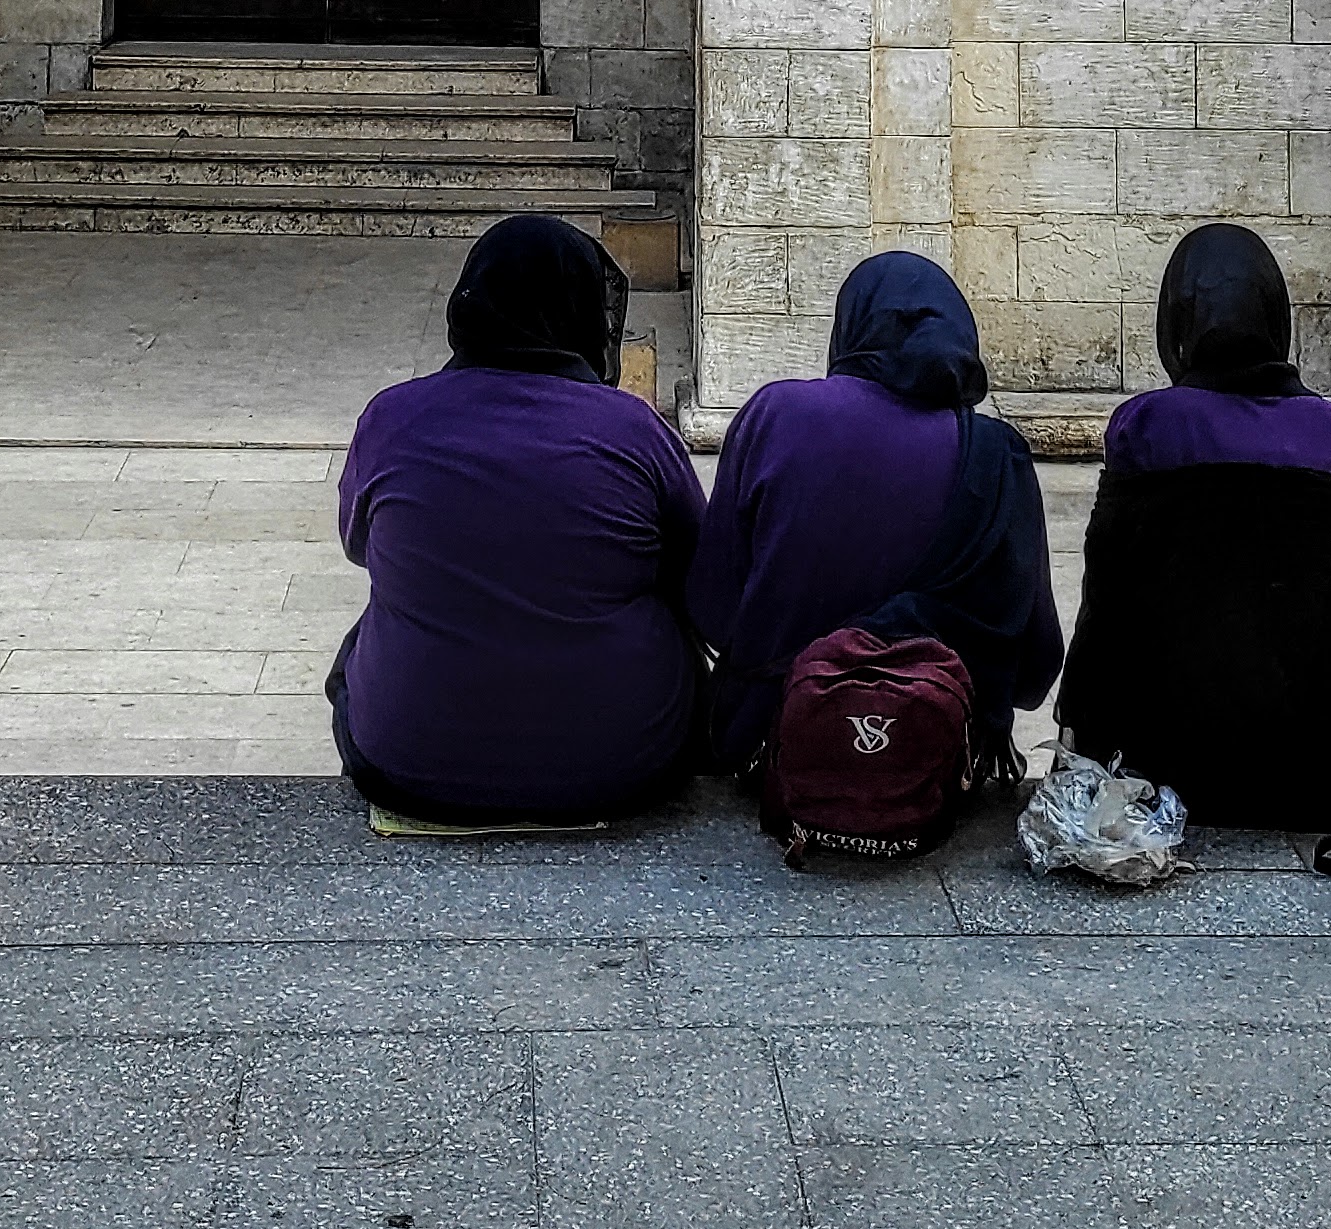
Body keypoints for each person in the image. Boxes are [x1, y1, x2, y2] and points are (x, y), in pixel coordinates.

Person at [327, 212, 706, 828]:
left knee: (365, 637)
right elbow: (698, 575)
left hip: (407, 765)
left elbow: (361, 546)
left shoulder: (392, 419)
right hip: (622, 765)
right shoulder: (634, 430)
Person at [1054, 221, 1331, 827]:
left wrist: (1077, 725)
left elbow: (1106, 601)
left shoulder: (1144, 428)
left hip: (1160, 761)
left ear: (1176, 321)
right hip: (1327, 764)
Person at [692, 250, 1061, 782]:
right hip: (932, 770)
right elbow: (1034, 666)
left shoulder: (777, 415)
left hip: (768, 753)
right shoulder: (998, 455)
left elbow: (713, 610)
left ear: (852, 325)